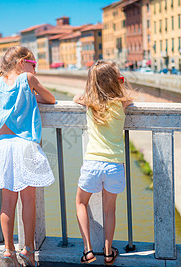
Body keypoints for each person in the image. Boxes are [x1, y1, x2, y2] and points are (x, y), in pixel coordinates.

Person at [0, 46, 56, 267]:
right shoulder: (27, 78)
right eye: (33, 64)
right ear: (22, 62)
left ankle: (7, 249)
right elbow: (50, 99)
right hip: (24, 146)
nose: (35, 69)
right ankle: (28, 250)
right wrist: (33, 95)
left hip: (3, 147)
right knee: (28, 201)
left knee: (7, 202)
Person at [74, 60, 133, 265]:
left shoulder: (90, 102)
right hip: (115, 165)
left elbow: (76, 97)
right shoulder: (122, 103)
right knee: (110, 210)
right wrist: (120, 82)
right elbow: (126, 96)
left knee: (81, 202)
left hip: (92, 164)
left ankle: (88, 250)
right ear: (115, 81)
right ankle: (108, 252)